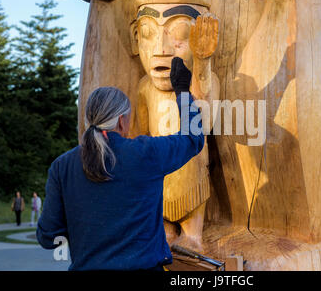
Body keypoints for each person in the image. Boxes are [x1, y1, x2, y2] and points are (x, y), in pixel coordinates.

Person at [36, 58, 204, 271]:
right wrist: (182, 90)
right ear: (122, 121)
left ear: (90, 120)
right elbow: (193, 138)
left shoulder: (61, 166)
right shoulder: (146, 153)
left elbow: (47, 236)